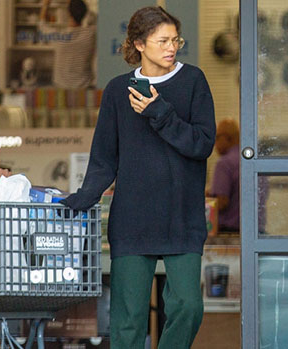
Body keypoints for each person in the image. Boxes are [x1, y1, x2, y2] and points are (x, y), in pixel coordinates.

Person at [60, 6, 216, 348]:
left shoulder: (193, 81)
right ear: (139, 44)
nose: (172, 47)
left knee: (188, 307)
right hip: (132, 220)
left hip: (182, 217)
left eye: (176, 39)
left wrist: (159, 112)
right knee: (127, 321)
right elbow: (103, 159)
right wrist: (79, 200)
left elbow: (202, 144)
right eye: (162, 40)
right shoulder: (118, 91)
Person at [39, 0, 96, 88]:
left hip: (61, 89)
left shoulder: (59, 37)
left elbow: (42, 25)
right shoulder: (91, 34)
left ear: (68, 14)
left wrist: (45, 5)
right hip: (84, 88)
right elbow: (94, 17)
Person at [208, 119, 240, 232]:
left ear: (227, 137)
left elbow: (221, 202)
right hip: (254, 231)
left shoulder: (225, 163)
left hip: (230, 230)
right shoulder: (249, 162)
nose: (214, 144)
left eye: (216, 138)